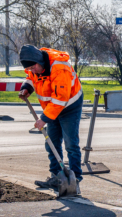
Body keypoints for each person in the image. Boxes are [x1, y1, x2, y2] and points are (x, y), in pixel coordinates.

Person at [18, 45, 84, 190]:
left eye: (33, 68)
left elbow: (61, 99)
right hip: (52, 107)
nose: (32, 72)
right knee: (51, 143)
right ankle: (57, 177)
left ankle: (75, 180)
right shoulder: (35, 66)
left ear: (38, 61)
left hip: (69, 106)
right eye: (29, 69)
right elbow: (31, 78)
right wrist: (27, 88)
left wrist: (44, 119)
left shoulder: (60, 69)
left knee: (71, 144)